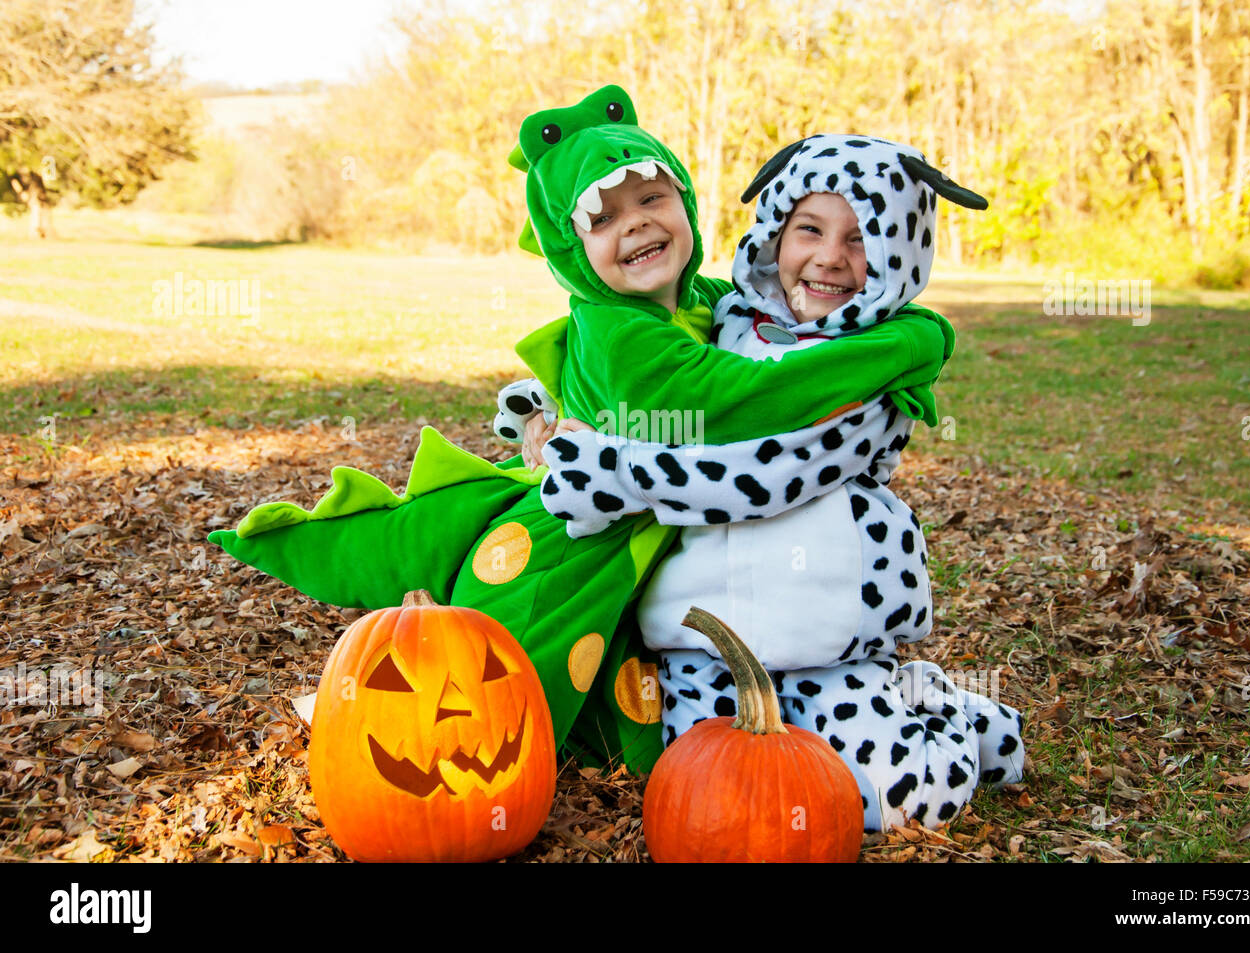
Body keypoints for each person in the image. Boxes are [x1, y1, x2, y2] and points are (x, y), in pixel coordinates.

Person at [210, 91, 953, 776]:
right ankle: (366, 718)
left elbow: (758, 323)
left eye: (652, 197)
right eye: (603, 218)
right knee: (503, 677)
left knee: (623, 681)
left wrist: (540, 409)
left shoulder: (693, 299)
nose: (635, 222)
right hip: (569, 547)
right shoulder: (620, 328)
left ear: (686, 205)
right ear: (573, 253)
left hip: (633, 538)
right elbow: (739, 400)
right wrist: (903, 343)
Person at [519, 135, 1025, 830]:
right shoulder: (729, 317)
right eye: (808, 229)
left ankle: (957, 719)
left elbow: (762, 478)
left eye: (862, 236)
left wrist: (615, 476)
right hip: (704, 641)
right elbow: (651, 393)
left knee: (897, 802)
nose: (828, 257)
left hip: (824, 634)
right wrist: (555, 414)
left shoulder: (868, 368)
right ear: (773, 234)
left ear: (899, 250)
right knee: (712, 792)